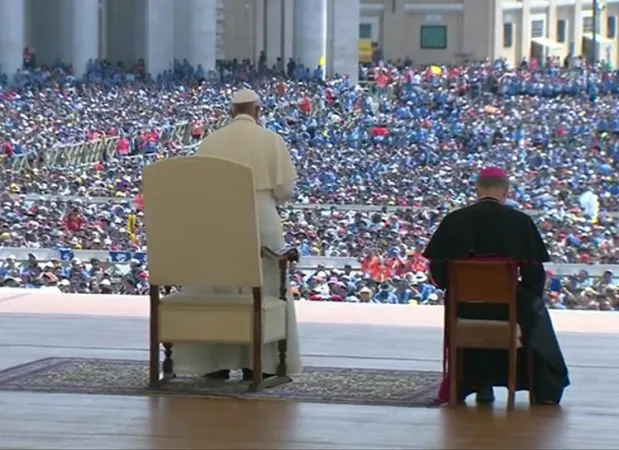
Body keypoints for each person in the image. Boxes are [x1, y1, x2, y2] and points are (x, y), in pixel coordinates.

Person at [171, 88, 302, 381]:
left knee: (217, 289)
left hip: (216, 221)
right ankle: (260, 363)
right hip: (261, 220)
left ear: (231, 112)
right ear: (258, 111)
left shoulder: (210, 141)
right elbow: (285, 191)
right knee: (265, 287)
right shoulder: (271, 140)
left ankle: (214, 362)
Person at [422, 167, 570, 405]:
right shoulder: (520, 222)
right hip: (508, 309)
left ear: (478, 189)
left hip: (464, 308)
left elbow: (438, 274)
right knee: (534, 314)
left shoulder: (454, 220)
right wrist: (526, 294)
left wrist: (459, 290)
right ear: (505, 191)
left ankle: (477, 384)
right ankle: (542, 387)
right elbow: (534, 276)